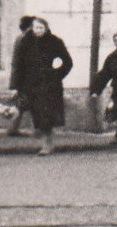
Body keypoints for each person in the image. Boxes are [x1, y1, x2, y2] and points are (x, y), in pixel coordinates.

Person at [9, 15, 72, 155]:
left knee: (46, 115)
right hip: (29, 85)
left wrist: (57, 74)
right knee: (37, 115)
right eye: (36, 27)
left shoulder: (54, 42)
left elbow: (67, 62)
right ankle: (43, 138)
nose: (38, 30)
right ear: (32, 28)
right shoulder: (25, 42)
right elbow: (18, 65)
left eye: (41, 28)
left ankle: (47, 145)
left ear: (46, 28)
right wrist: (15, 86)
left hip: (49, 85)